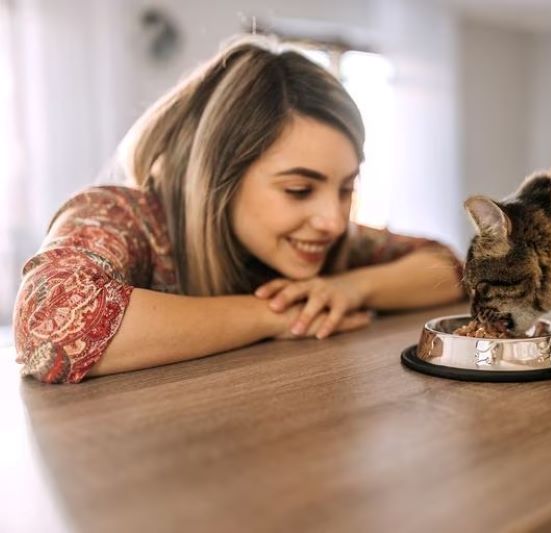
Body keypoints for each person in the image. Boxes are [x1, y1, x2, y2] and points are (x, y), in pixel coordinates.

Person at [13, 35, 465, 384]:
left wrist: (352, 288)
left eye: (346, 188)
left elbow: (449, 268)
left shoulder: (331, 243)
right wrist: (278, 314)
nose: (332, 220)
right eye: (298, 189)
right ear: (218, 180)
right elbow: (50, 326)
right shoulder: (122, 216)